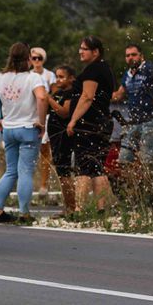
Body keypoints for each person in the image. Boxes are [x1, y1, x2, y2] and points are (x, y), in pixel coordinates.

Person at [0, 43, 47, 224]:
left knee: (10, 171)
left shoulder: (0, 78)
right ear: (28, 59)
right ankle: (24, 213)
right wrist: (41, 123)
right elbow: (41, 97)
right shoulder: (33, 77)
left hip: (8, 128)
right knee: (25, 171)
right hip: (27, 128)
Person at [111, 44, 153, 191]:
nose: (130, 58)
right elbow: (119, 95)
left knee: (147, 161)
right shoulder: (128, 74)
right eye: (127, 55)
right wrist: (98, 95)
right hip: (133, 122)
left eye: (134, 55)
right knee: (124, 159)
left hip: (151, 122)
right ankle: (133, 192)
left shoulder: (149, 69)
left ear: (141, 56)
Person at [67, 36, 116, 214]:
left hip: (88, 123)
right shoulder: (106, 69)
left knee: (83, 167)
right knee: (97, 167)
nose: (80, 51)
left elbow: (87, 97)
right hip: (103, 122)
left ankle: (79, 209)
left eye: (84, 49)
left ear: (95, 52)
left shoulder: (93, 70)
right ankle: (100, 208)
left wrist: (73, 120)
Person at [47, 65, 77, 216]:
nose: (58, 80)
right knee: (60, 172)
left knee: (64, 171)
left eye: (61, 77)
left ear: (71, 78)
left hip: (63, 136)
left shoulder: (71, 93)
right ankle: (68, 206)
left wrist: (49, 99)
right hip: (54, 136)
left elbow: (64, 112)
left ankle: (71, 207)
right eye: (56, 76)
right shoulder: (58, 93)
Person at [30, 47, 57, 198]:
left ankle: (44, 184)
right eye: (34, 58)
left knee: (46, 151)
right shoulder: (28, 75)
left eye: (39, 58)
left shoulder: (49, 75)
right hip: (30, 114)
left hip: (45, 114)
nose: (36, 61)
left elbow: (54, 93)